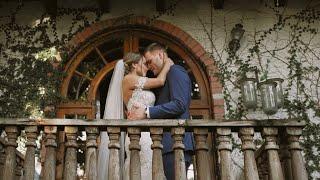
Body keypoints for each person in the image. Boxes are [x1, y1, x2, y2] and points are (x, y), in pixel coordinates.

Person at [97, 52, 173, 179]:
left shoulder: (138, 83)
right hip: (140, 135)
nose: (147, 67)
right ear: (134, 65)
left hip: (149, 134)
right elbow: (160, 81)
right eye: (144, 63)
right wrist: (167, 64)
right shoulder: (128, 79)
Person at [128, 43, 194, 180]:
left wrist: (146, 112)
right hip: (166, 146)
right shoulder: (164, 78)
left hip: (176, 145)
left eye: (150, 61)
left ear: (161, 55)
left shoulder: (176, 71)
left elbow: (179, 104)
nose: (149, 66)